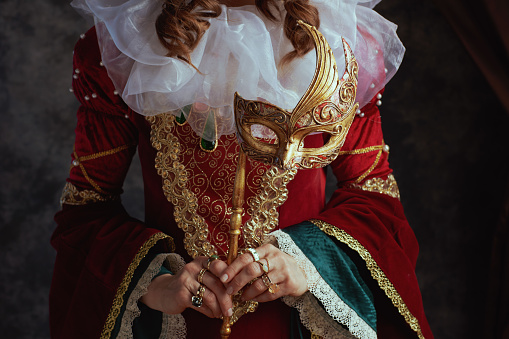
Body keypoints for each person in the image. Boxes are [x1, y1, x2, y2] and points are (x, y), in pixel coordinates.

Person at [50, 0, 433, 338]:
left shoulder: (343, 44)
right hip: (177, 325)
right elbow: (86, 210)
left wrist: (306, 262)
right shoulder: (121, 48)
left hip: (297, 323)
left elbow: (374, 195)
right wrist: (158, 282)